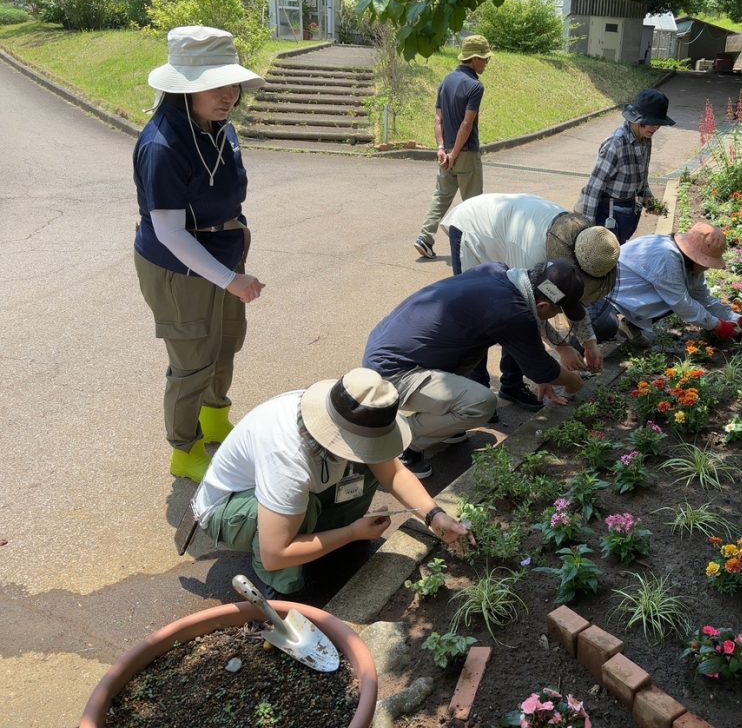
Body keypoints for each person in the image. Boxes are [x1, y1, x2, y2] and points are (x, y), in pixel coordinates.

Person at [190, 368, 471, 598]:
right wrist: (352, 533)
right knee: (304, 509)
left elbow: (393, 473)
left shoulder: (346, 415)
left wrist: (435, 516)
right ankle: (282, 591)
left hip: (286, 491)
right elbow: (275, 553)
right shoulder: (288, 459)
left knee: (369, 463)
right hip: (228, 510)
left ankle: (323, 537)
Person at [133, 26, 267, 484]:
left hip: (223, 252)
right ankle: (185, 450)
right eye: (216, 84)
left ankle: (215, 422)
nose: (229, 94)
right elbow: (169, 231)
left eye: (232, 83)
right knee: (192, 361)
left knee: (225, 344)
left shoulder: (218, 128)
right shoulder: (162, 145)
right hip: (178, 267)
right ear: (184, 87)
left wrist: (231, 271)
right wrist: (230, 279)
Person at [363, 260, 587, 476]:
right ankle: (401, 440)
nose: (554, 317)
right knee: (481, 404)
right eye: (556, 312)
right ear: (543, 305)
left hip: (388, 343)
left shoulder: (496, 271)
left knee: (470, 354)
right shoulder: (511, 312)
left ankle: (440, 425)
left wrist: (541, 368)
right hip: (392, 371)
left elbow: (531, 350)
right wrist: (574, 382)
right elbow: (541, 368)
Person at [440, 193, 619, 409]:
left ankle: (512, 385)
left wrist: (589, 342)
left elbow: (570, 299)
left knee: (513, 320)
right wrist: (559, 351)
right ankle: (477, 393)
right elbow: (528, 314)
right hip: (474, 227)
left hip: (506, 233)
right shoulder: (535, 257)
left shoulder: (585, 243)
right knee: (477, 315)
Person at [588, 222, 742, 348]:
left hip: (629, 294)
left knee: (683, 296)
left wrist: (737, 318)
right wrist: (718, 326)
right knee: (604, 327)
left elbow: (704, 298)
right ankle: (576, 347)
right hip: (604, 294)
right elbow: (682, 304)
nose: (708, 266)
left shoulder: (688, 265)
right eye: (707, 261)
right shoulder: (667, 256)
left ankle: (631, 326)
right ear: (694, 255)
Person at [414, 35, 494, 259]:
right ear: (475, 58)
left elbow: (438, 120)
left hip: (446, 152)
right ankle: (473, 250)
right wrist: (455, 153)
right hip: (465, 153)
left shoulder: (446, 81)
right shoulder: (475, 86)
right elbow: (466, 124)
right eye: (485, 59)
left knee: (441, 197)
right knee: (474, 204)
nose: (486, 63)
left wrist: (442, 149)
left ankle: (425, 238)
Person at [577, 88, 676, 244]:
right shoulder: (615, 145)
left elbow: (641, 181)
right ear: (637, 118)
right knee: (604, 261)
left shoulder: (645, 140)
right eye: (651, 122)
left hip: (628, 214)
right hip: (607, 217)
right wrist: (588, 229)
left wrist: (651, 202)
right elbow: (593, 188)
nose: (655, 127)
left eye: (659, 123)